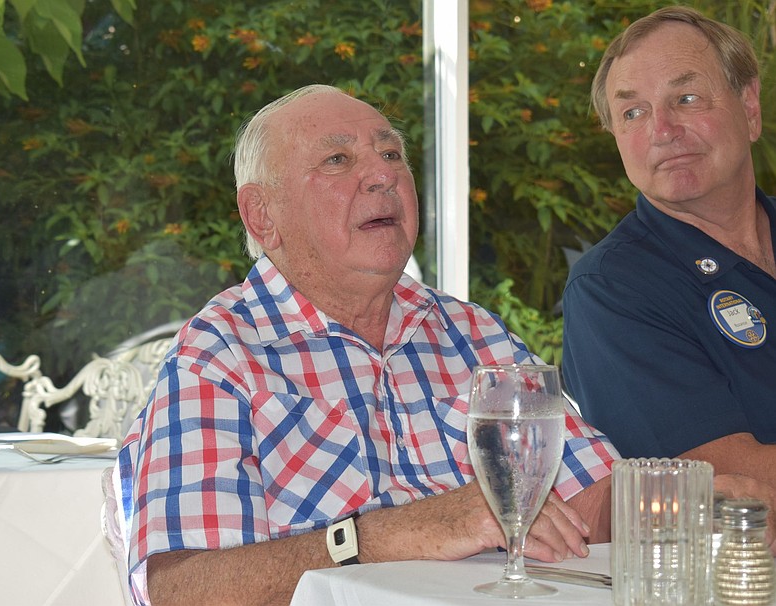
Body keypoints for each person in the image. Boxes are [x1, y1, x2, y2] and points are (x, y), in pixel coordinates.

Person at [117, 84, 620, 606]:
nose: (384, 175)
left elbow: (593, 498)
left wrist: (686, 498)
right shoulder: (221, 356)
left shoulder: (473, 335)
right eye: (337, 159)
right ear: (262, 215)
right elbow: (179, 589)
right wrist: (381, 537)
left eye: (391, 154)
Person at [562, 7, 776, 486]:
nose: (662, 130)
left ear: (750, 108)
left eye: (687, 97)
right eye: (633, 112)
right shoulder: (613, 288)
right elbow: (726, 478)